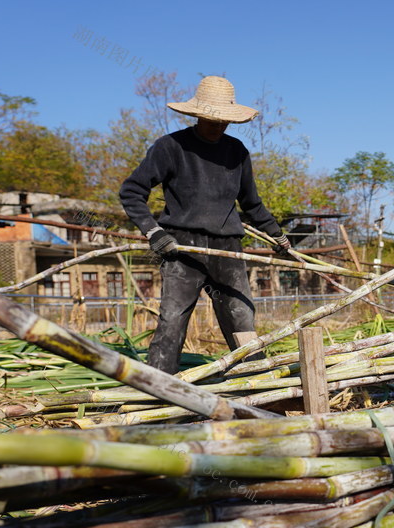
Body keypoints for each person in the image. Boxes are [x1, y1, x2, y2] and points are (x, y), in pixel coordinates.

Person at [120, 75, 291, 374]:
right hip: (181, 248)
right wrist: (153, 231)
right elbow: (132, 192)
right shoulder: (171, 147)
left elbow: (251, 203)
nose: (218, 125)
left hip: (227, 248)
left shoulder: (236, 152)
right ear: (197, 114)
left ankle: (256, 383)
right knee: (173, 319)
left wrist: (276, 235)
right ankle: (161, 391)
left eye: (224, 120)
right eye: (212, 119)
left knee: (241, 317)